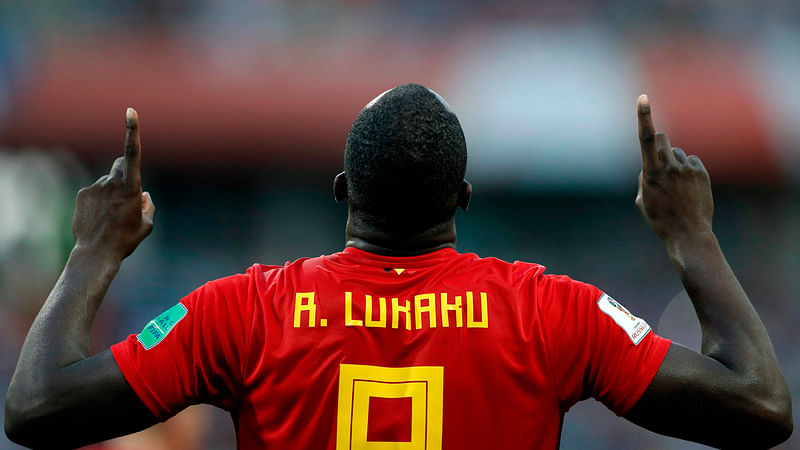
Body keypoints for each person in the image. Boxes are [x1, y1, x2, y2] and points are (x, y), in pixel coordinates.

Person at [4, 84, 792, 449]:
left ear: (344, 192)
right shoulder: (552, 312)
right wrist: (690, 235)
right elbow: (759, 405)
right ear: (465, 196)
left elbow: (35, 407)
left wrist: (92, 251)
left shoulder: (240, 312)